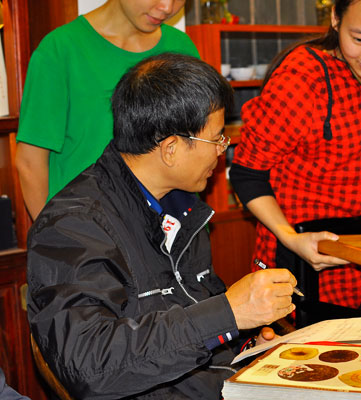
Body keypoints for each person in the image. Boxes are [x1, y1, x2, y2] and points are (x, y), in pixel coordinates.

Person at [27, 53, 296, 399]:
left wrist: (245, 344)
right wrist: (228, 314)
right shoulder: (72, 226)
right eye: (217, 139)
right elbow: (91, 366)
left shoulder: (181, 205)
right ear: (170, 149)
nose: (222, 151)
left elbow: (195, 312)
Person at [230, 0, 361, 309]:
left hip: (352, 249)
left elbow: (330, 157)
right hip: (295, 249)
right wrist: (291, 237)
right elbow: (247, 173)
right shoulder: (302, 78)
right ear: (335, 18)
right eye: (359, 39)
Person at [16, 0, 200, 220]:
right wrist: (53, 235)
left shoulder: (181, 47)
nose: (167, 7)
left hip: (173, 223)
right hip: (87, 224)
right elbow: (30, 163)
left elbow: (199, 144)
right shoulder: (61, 49)